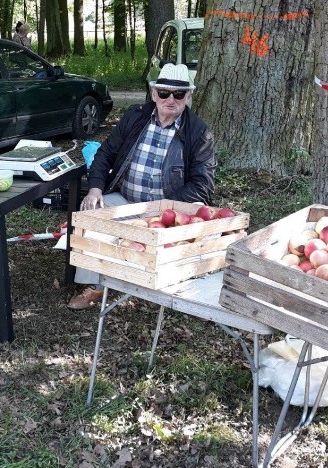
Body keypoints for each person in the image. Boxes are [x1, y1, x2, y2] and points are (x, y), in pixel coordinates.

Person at [67, 63, 217, 310]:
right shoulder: (136, 116)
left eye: (179, 94)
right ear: (154, 93)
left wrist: (162, 209)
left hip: (166, 211)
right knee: (90, 216)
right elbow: (105, 153)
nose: (171, 99)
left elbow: (203, 185)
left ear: (188, 97)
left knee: (158, 240)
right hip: (125, 200)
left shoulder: (198, 132)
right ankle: (94, 286)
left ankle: (144, 281)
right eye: (164, 93)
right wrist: (95, 188)